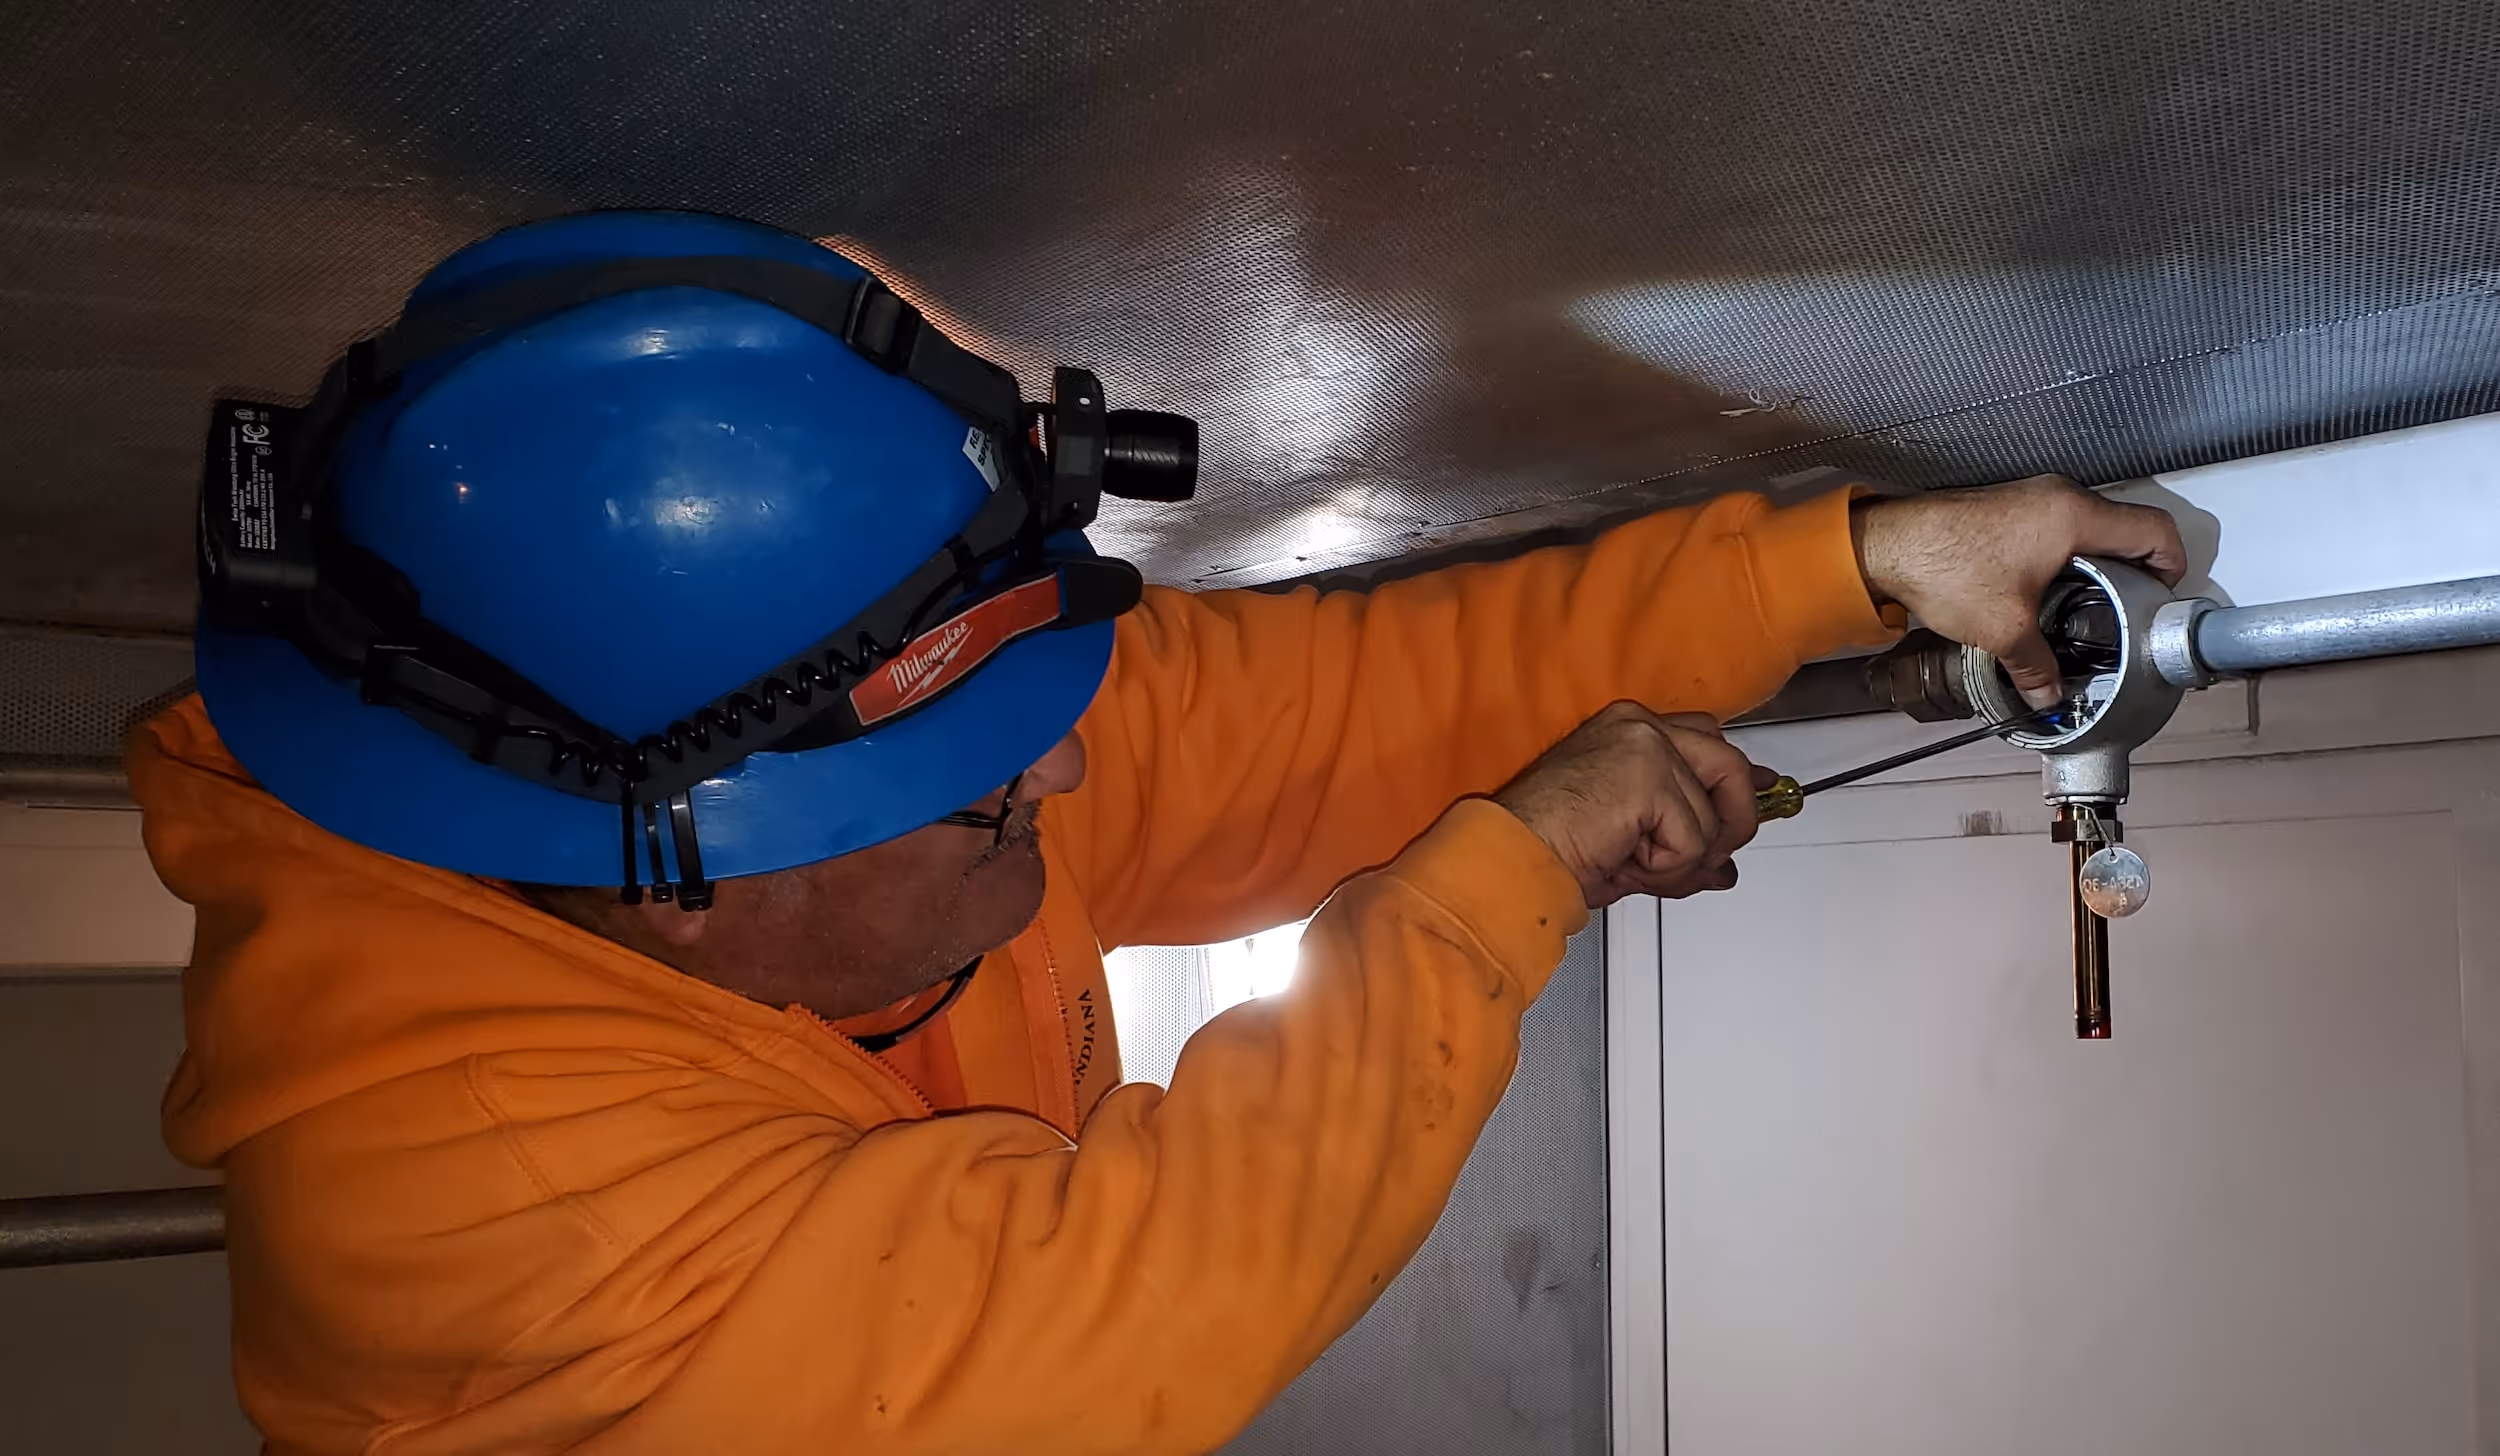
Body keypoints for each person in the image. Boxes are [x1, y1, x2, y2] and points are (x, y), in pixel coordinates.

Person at [136, 210, 2185, 1454]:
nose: (1062, 775)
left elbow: (1337, 713)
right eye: (983, 772)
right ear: (669, 883)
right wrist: (1508, 872)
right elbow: (1123, 1291)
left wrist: (1849, 567)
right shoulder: (477, 1211)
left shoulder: (801, 750)